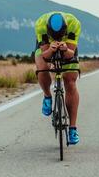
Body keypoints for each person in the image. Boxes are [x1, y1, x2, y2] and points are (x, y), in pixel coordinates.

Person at [34, 11, 81, 145]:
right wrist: (51, 51)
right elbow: (45, 56)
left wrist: (65, 49)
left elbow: (70, 54)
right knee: (42, 68)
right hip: (46, 47)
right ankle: (47, 96)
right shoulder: (40, 25)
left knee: (70, 81)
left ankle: (72, 129)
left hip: (68, 47)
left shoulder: (74, 24)